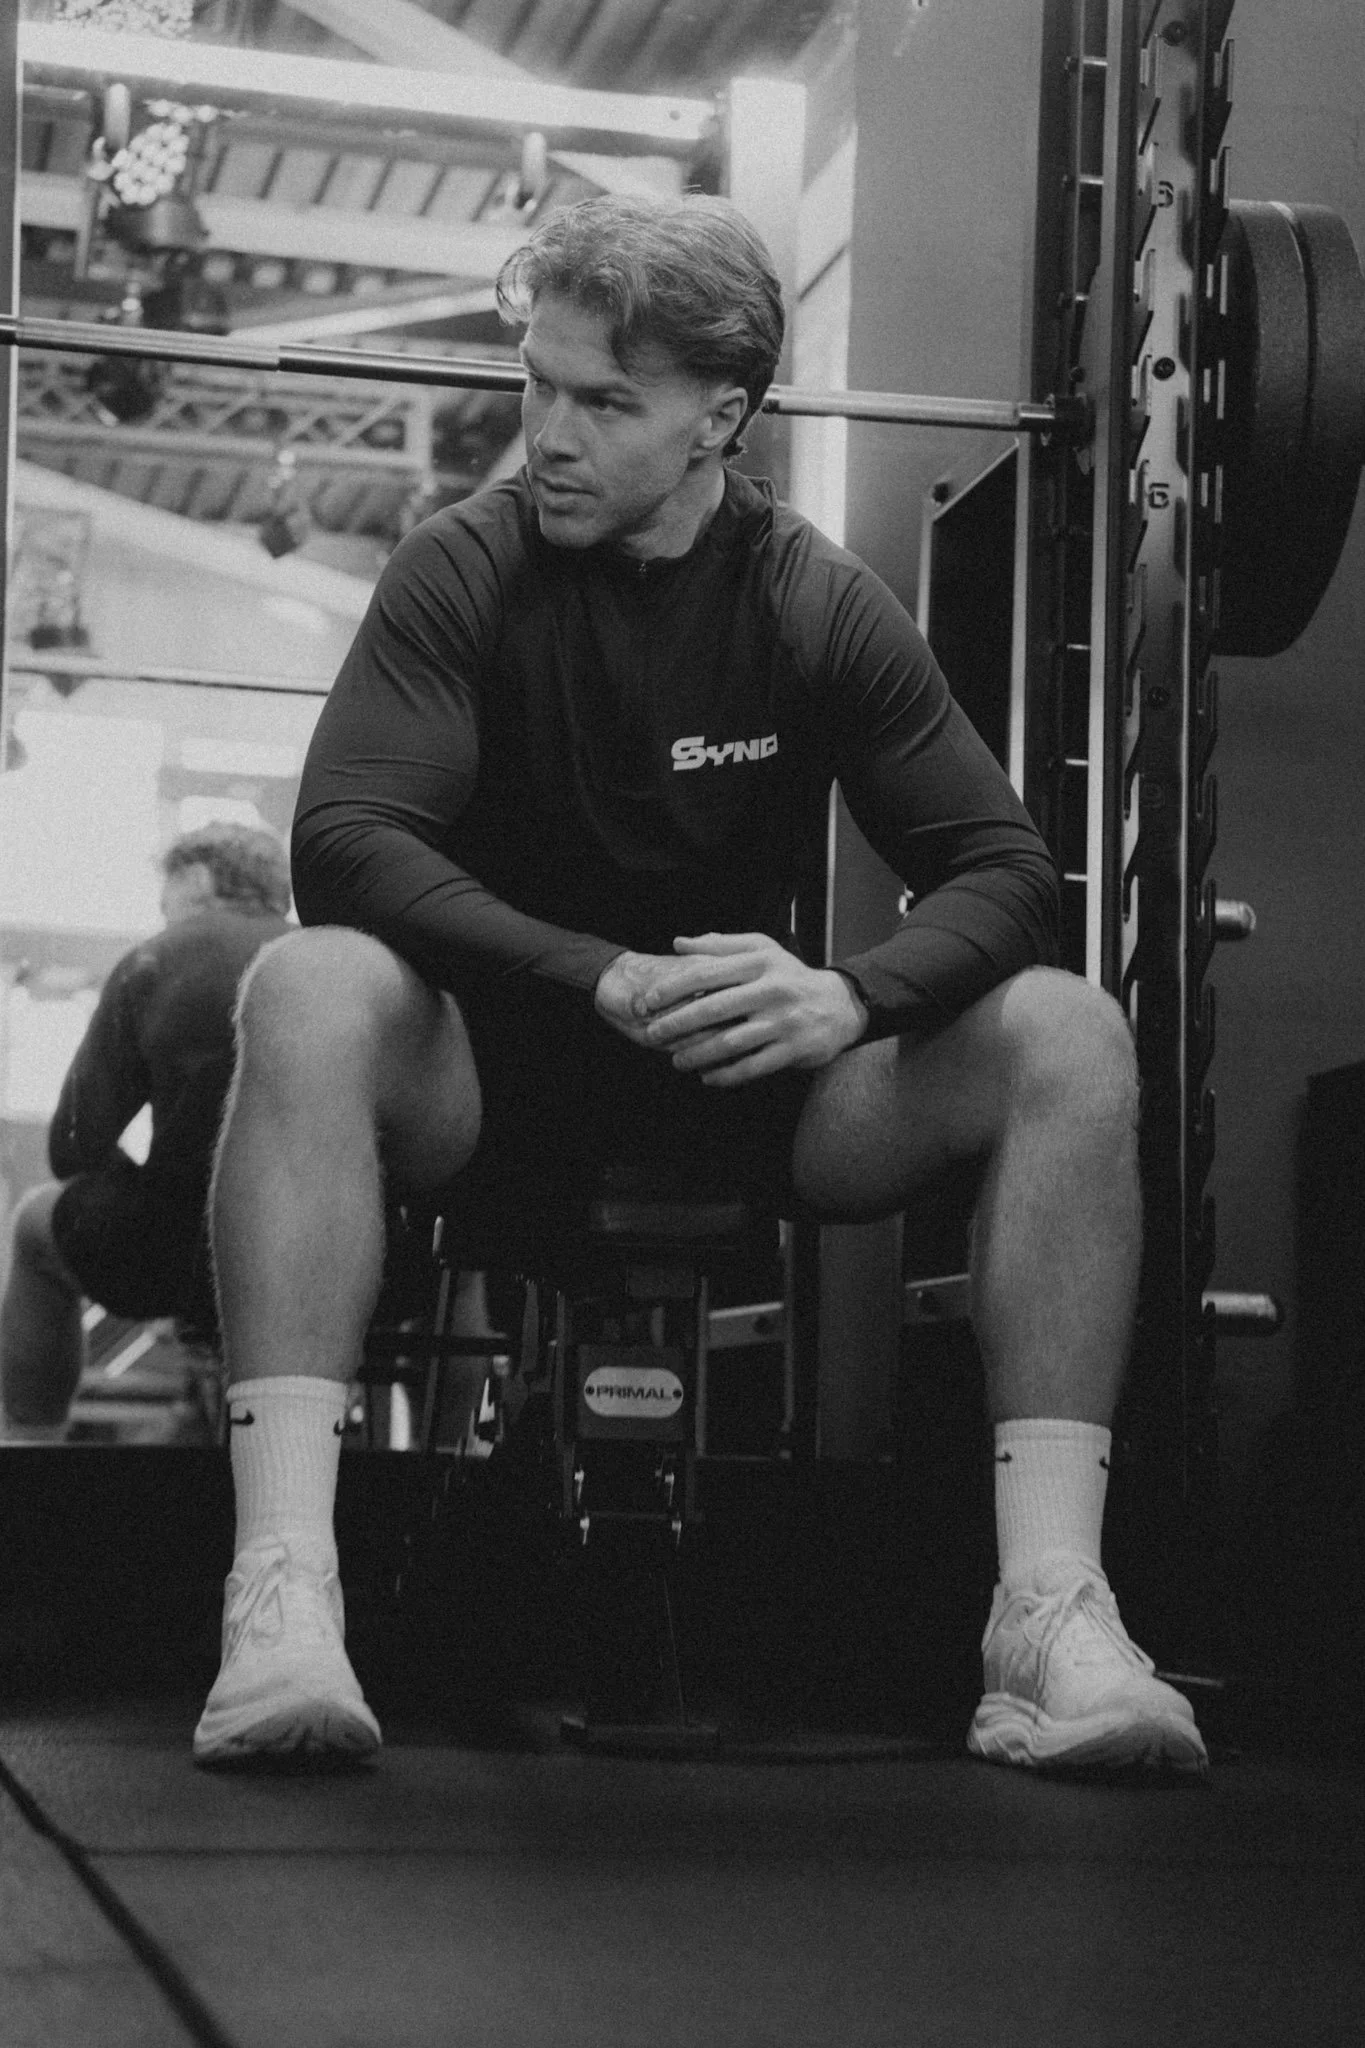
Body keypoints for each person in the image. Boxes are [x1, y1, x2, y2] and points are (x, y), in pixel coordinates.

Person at [195, 194, 1208, 1777]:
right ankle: (285, 1595)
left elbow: (1007, 869)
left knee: (1069, 1033)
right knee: (311, 984)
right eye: (538, 384)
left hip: (755, 1093)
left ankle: (1050, 1609)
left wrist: (848, 1000)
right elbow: (346, 844)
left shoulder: (805, 596)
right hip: (494, 1088)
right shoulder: (464, 567)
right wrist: (588, 973)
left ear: (719, 418)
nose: (550, 435)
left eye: (606, 403)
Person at [0, 823, 292, 1440]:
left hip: (182, 1251)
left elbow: (71, 1148)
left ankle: (29, 1450)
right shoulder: (327, 955)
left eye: (164, 900)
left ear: (195, 879)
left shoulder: (158, 957)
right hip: (329, 1257)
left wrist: (129, 1183)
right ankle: (455, 1454)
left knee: (33, 1223)